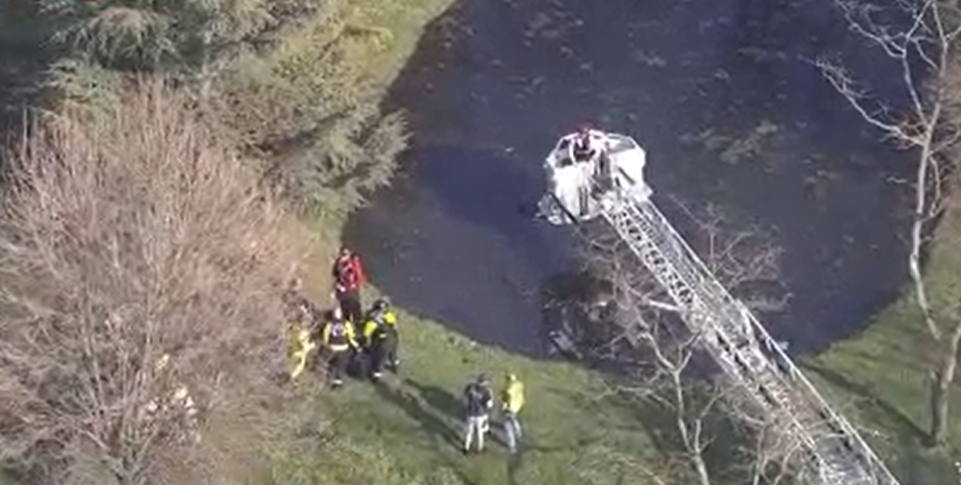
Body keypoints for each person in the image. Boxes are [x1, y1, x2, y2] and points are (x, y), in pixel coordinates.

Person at [361, 298, 399, 380]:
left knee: (378, 359)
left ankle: (376, 376)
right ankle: (395, 366)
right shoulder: (389, 315)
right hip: (393, 338)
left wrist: (364, 343)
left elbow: (366, 334)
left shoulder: (373, 321)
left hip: (383, 343)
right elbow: (394, 325)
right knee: (393, 353)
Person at [321, 307, 358, 387]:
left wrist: (326, 344)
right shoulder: (346, 323)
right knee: (341, 365)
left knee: (330, 363)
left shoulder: (330, 324)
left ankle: (328, 377)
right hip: (343, 347)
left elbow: (325, 336)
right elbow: (350, 336)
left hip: (332, 347)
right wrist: (356, 345)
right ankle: (338, 380)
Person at [332, 246, 367, 324]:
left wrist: (350, 286)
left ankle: (357, 326)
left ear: (348, 255)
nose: (342, 256)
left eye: (344, 254)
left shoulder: (352, 264)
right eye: (342, 254)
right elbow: (335, 274)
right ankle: (349, 326)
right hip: (344, 291)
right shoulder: (339, 263)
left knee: (355, 310)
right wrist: (337, 286)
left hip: (351, 291)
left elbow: (359, 278)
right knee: (346, 311)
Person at [462, 373, 494, 454]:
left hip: (470, 413)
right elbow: (489, 405)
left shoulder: (470, 387)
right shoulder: (486, 391)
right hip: (479, 414)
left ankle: (466, 448)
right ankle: (480, 448)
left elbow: (465, 395)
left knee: (469, 431)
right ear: (485, 382)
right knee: (480, 431)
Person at [500, 373, 525, 454]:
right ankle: (519, 434)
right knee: (514, 420)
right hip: (517, 407)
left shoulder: (508, 390)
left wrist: (503, 407)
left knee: (508, 427)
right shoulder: (519, 384)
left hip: (509, 409)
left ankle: (512, 445)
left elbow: (506, 399)